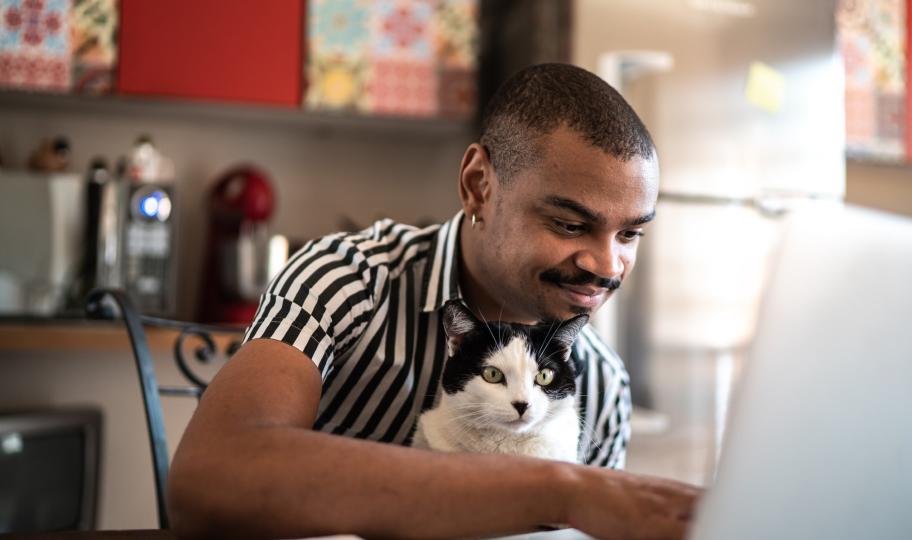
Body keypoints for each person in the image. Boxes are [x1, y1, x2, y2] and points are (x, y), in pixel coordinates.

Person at [168, 63, 701, 540]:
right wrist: (558, 488)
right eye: (569, 224)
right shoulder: (349, 281)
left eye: (630, 235)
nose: (607, 267)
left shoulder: (603, 385)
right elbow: (210, 478)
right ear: (477, 186)